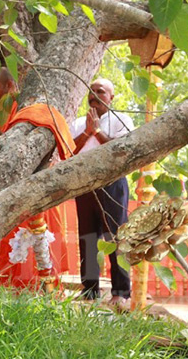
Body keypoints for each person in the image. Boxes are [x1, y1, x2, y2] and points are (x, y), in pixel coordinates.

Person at [0, 68, 75, 289]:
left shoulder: (24, 113)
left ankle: (39, 290)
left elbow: (19, 147)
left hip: (33, 189)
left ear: (10, 87)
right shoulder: (5, 115)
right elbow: (0, 157)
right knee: (13, 245)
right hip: (13, 192)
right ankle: (14, 290)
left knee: (36, 245)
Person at [70, 78, 134, 306]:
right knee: (87, 238)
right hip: (84, 185)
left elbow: (121, 151)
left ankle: (121, 293)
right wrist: (87, 132)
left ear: (111, 98)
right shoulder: (78, 123)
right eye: (91, 91)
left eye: (101, 91)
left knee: (116, 237)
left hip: (112, 183)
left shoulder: (121, 120)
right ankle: (90, 291)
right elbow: (69, 151)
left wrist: (96, 131)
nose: (94, 95)